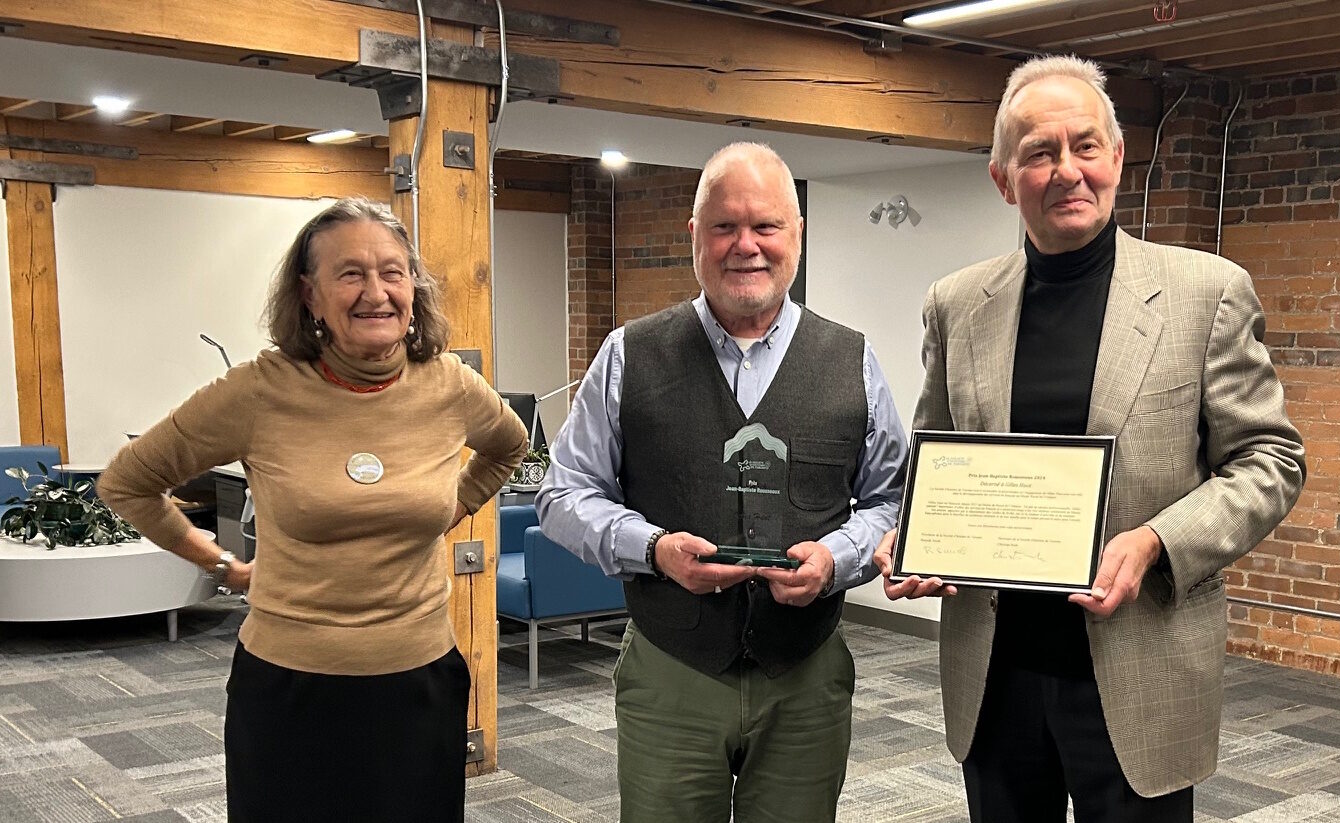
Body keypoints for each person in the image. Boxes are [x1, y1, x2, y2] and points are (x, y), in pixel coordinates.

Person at [873, 55, 1306, 823]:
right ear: (1005, 178)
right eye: (1040, 152)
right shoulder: (957, 303)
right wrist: (915, 539)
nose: (1066, 170)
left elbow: (1270, 461)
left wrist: (1156, 542)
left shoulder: (1206, 293)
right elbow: (935, 456)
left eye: (1085, 146)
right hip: (996, 674)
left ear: (1117, 157)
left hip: (1139, 670)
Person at [98, 197, 527, 822]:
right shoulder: (257, 391)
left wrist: (450, 506)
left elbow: (510, 446)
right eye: (350, 273)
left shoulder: (450, 385)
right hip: (288, 686)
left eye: (393, 271)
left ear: (414, 287)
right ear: (309, 294)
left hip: (419, 681)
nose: (376, 291)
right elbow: (127, 483)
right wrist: (220, 563)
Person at [537, 142, 906, 822]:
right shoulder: (629, 354)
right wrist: (649, 547)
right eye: (724, 226)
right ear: (694, 237)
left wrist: (836, 560)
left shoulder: (853, 360)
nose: (746, 246)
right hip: (672, 668)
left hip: (805, 673)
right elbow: (562, 495)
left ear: (797, 234)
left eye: (765, 226)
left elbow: (893, 498)